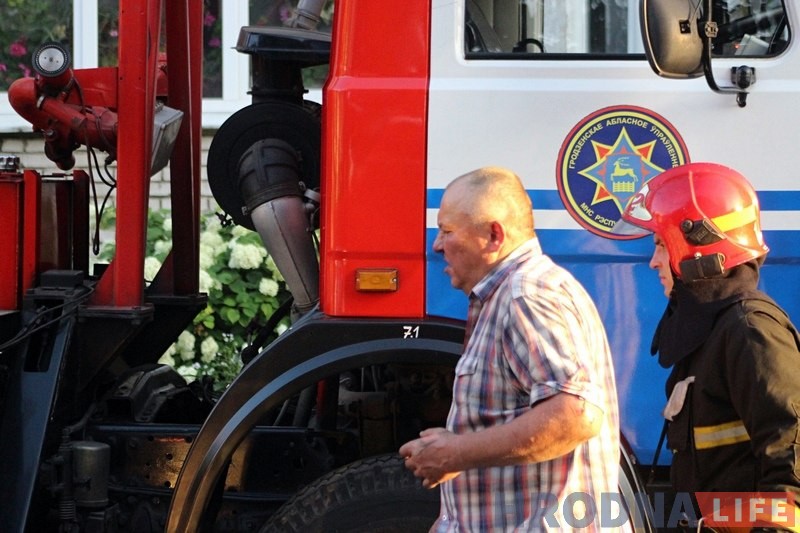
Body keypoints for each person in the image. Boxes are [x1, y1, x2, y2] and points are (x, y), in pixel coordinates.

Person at [400, 167, 625, 532]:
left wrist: (456, 453)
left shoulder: (526, 296)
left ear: (494, 235)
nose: (437, 245)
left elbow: (575, 414)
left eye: (447, 231)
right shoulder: (519, 292)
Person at [615, 161, 800, 526]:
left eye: (661, 245)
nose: (653, 262)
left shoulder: (750, 331)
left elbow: (791, 462)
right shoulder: (712, 331)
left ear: (697, 247)